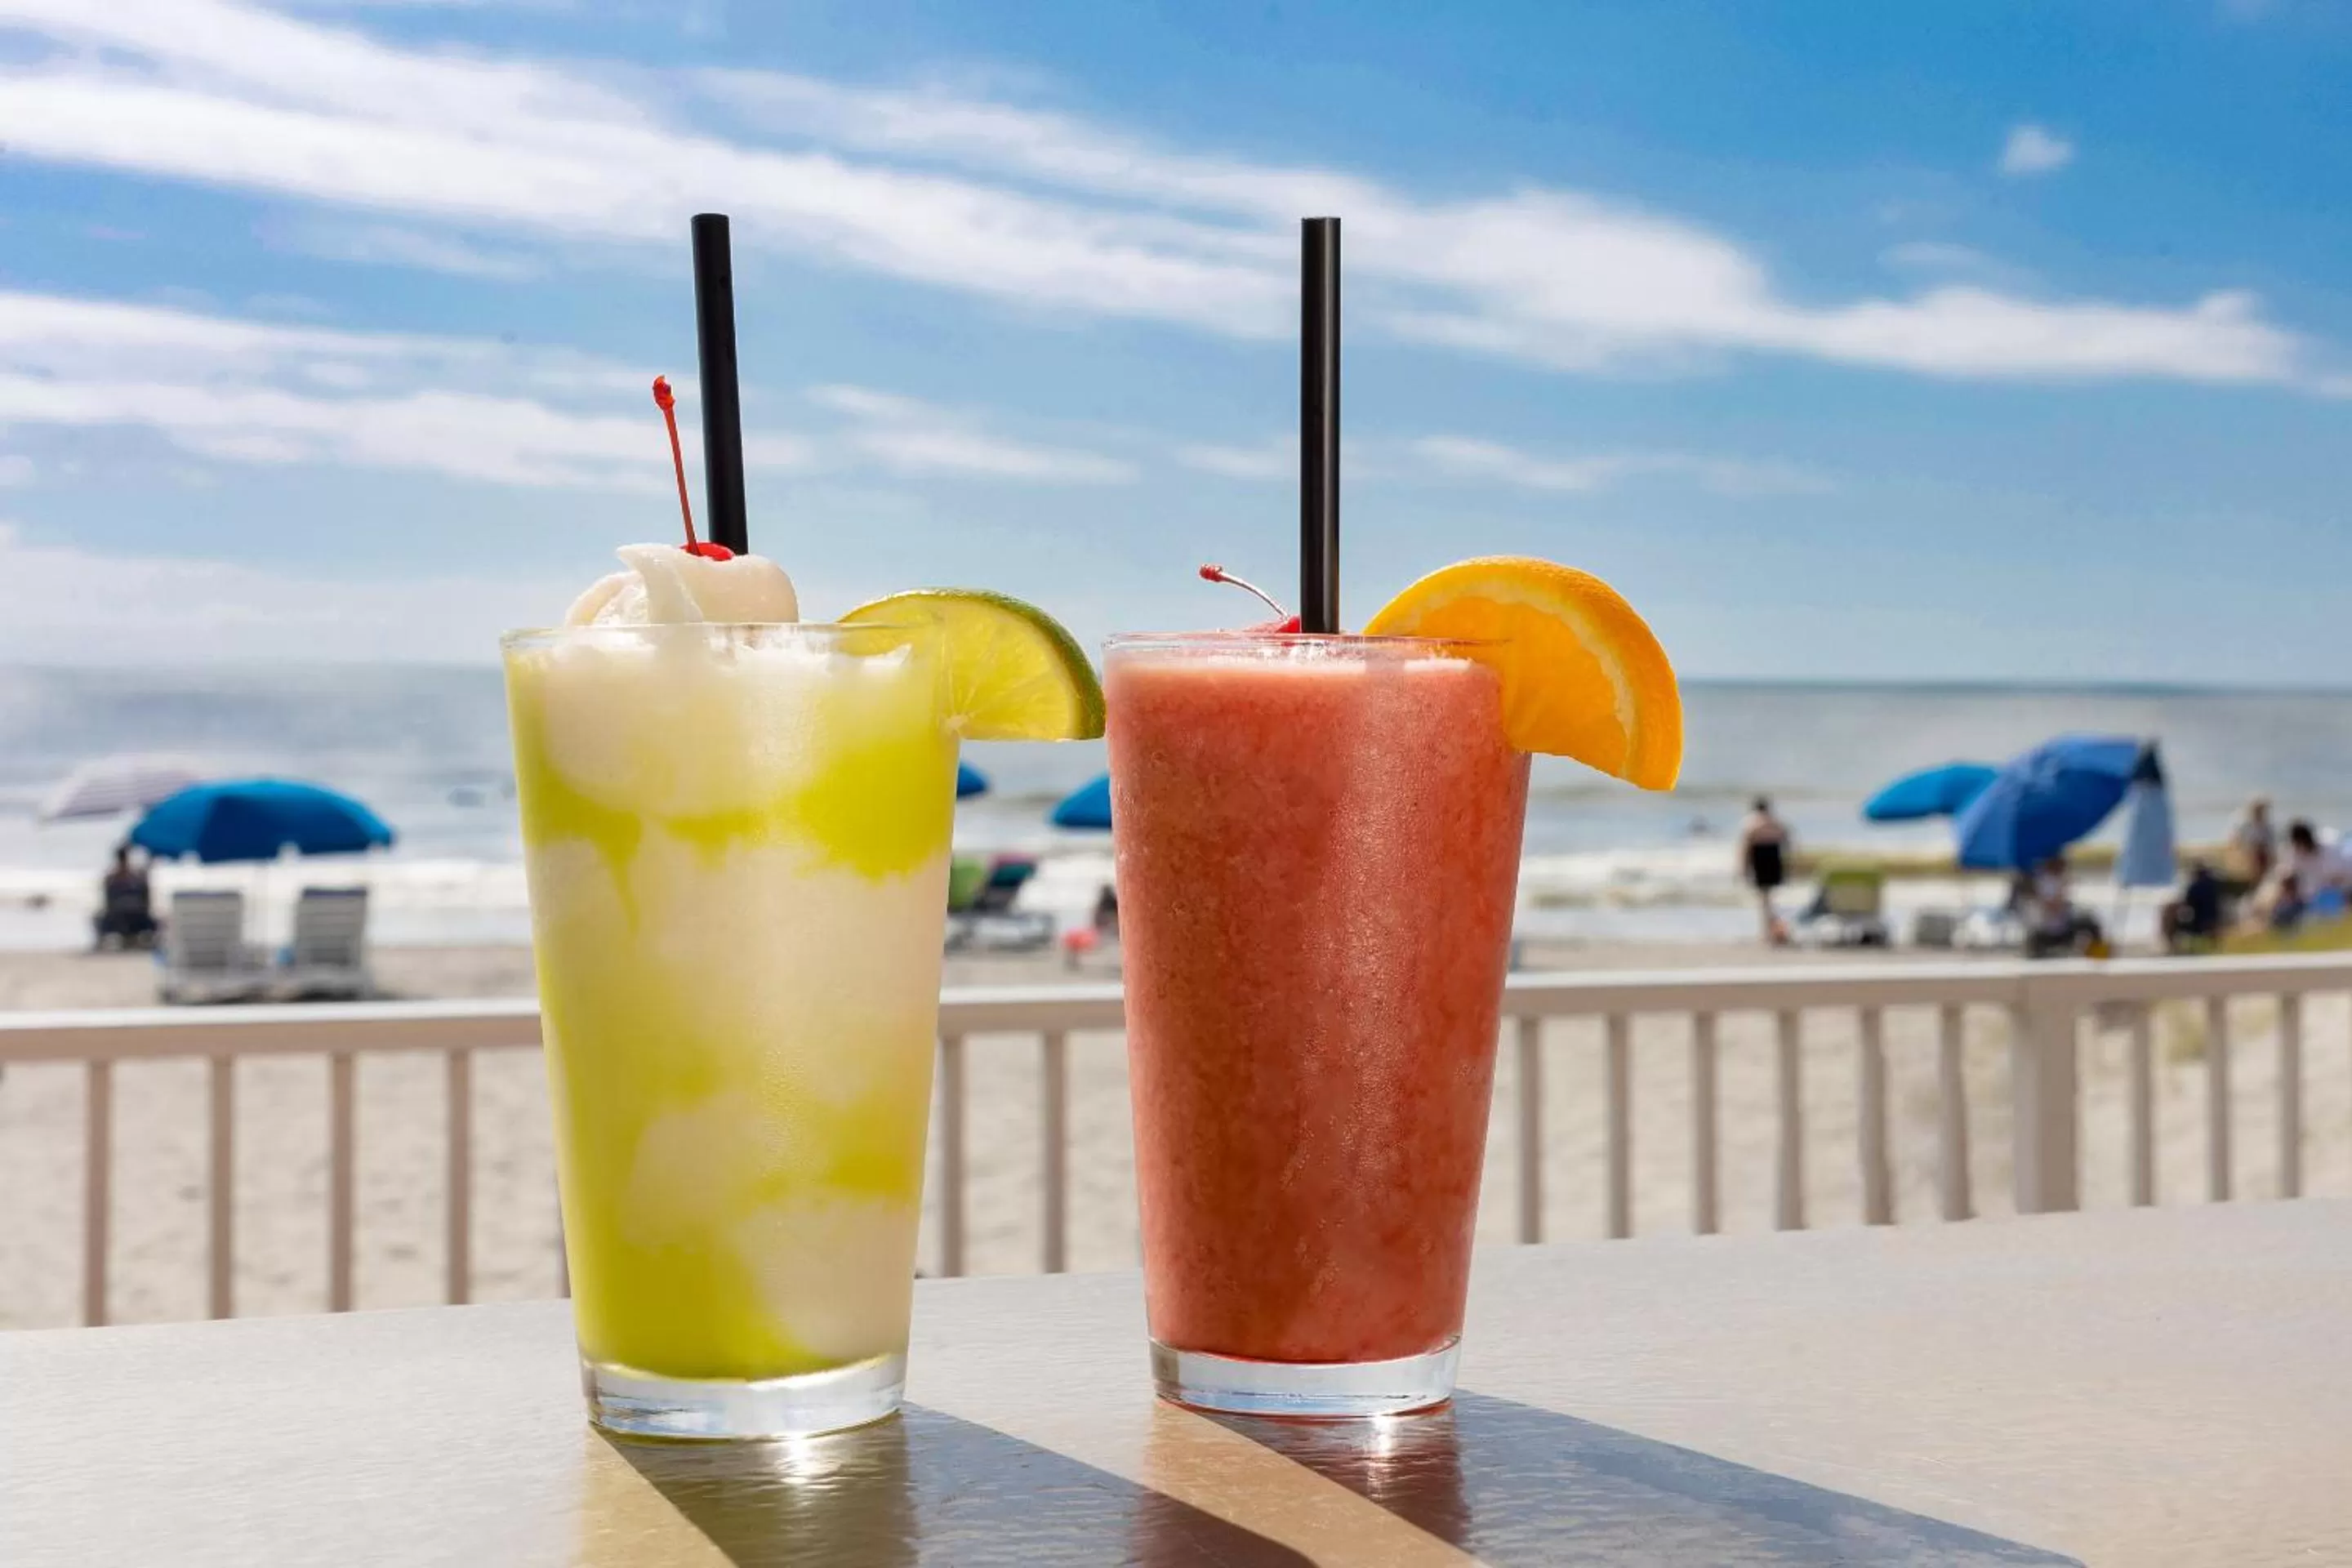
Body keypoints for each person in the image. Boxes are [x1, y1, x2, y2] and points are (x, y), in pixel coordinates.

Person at [1739, 797, 1790, 946]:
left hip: (1761, 859)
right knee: (1769, 898)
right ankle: (1773, 929)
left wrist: (1743, 866)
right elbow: (1787, 841)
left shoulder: (1752, 823)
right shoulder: (1776, 823)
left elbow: (1745, 847)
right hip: (1773, 858)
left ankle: (1768, 931)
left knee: (1764, 899)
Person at [92, 845, 157, 951]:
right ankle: (136, 939)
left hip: (119, 916)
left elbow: (108, 901)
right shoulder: (136, 877)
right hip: (137, 916)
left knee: (98, 918)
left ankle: (126, 939)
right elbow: (146, 899)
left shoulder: (112, 878)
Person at [2161, 859, 2226, 952]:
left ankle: (2171, 947)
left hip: (2200, 924)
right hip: (2215, 921)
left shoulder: (2196, 886)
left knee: (2169, 915)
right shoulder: (2215, 885)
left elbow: (2187, 903)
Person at [2227, 798, 2277, 892]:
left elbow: (2271, 842)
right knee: (2255, 873)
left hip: (2263, 854)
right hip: (2250, 853)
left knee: (2263, 875)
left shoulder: (2267, 826)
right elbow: (2237, 839)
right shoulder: (2247, 825)